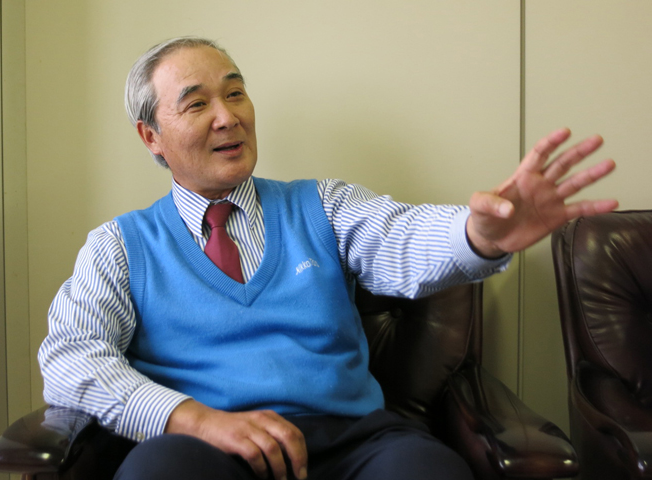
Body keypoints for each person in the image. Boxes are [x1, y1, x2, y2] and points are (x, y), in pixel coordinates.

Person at [38, 37, 618, 480]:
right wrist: (192, 418)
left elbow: (401, 238)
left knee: (428, 470)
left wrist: (479, 234)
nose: (228, 116)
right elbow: (69, 358)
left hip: (353, 440)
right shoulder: (119, 245)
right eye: (197, 103)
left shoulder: (323, 205)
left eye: (235, 93)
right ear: (151, 137)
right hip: (203, 447)